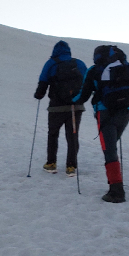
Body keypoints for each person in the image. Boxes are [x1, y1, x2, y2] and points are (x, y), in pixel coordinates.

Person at [74, 45, 129, 202]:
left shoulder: (94, 70)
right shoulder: (125, 67)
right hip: (125, 113)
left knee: (109, 150)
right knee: (111, 148)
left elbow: (83, 95)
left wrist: (71, 101)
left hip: (105, 113)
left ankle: (116, 191)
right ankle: (116, 184)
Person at [34, 41, 88, 176]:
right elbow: (87, 83)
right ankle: (71, 166)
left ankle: (51, 163)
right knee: (72, 136)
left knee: (53, 134)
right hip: (75, 107)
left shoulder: (51, 63)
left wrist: (39, 94)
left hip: (56, 107)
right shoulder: (79, 63)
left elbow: (43, 81)